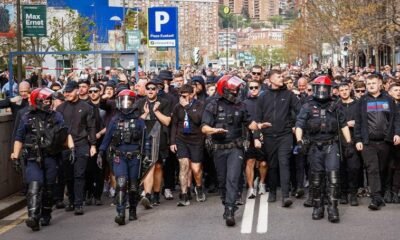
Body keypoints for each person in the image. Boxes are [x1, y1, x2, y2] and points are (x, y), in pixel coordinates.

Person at [11, 87, 73, 231]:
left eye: (49, 100)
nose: (48, 103)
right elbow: (19, 138)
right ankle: (33, 216)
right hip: (33, 157)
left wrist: (72, 148)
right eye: (44, 100)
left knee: (48, 188)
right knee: (34, 185)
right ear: (36, 101)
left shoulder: (56, 116)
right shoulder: (26, 117)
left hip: (51, 157)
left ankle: (46, 213)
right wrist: (15, 155)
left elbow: (65, 133)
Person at [201, 75, 257, 227]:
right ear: (224, 89)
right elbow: (204, 127)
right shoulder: (212, 105)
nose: (236, 92)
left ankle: (231, 209)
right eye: (234, 90)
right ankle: (226, 203)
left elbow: (250, 123)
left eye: (237, 90)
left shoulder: (241, 105)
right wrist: (213, 130)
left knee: (233, 178)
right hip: (219, 148)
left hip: (235, 147)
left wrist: (259, 126)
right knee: (222, 179)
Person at [295, 76, 352, 223]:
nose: (321, 91)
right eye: (318, 88)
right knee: (316, 179)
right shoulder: (307, 106)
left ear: (329, 89)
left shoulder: (336, 105)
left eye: (324, 88)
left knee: (333, 178)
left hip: (332, 145)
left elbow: (344, 124)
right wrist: (299, 141)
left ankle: (333, 208)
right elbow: (299, 125)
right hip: (314, 146)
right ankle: (317, 207)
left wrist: (349, 143)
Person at [98, 89, 145, 225]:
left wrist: (147, 155)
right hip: (120, 156)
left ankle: (132, 211)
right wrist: (101, 152)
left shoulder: (139, 121)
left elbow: (146, 140)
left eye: (129, 101)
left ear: (134, 103)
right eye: (123, 101)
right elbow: (107, 139)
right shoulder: (114, 120)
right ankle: (120, 212)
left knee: (134, 186)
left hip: (135, 157)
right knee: (121, 183)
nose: (126, 104)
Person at [254, 70, 300, 207]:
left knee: (284, 162)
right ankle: (272, 191)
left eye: (282, 76)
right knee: (272, 165)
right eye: (279, 76)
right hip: (269, 136)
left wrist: (294, 125)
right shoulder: (263, 96)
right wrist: (257, 135)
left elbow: (300, 111)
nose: (282, 78)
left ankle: (285, 196)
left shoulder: (289, 95)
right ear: (271, 79)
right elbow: (257, 118)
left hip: (285, 135)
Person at [354, 74, 400, 210]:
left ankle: (381, 193)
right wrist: (358, 139)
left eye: (374, 83)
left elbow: (396, 119)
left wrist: (397, 133)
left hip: (385, 141)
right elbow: (358, 122)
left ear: (380, 84)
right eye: (368, 84)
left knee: (382, 169)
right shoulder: (362, 101)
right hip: (368, 142)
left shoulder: (389, 100)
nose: (371, 86)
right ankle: (375, 197)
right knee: (372, 169)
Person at [56, 81, 97, 215]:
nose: (67, 94)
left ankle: (79, 203)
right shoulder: (60, 108)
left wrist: (93, 144)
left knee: (79, 174)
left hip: (82, 144)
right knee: (68, 176)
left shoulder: (86, 107)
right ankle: (72, 201)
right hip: (65, 146)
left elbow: (91, 127)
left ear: (77, 91)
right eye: (65, 92)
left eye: (70, 91)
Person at [170, 84, 206, 206]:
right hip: (182, 139)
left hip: (196, 139)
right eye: (181, 96)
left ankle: (199, 187)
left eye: (185, 96)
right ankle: (184, 194)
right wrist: (172, 141)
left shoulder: (200, 105)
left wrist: (187, 108)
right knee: (183, 166)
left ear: (191, 95)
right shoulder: (177, 107)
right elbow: (174, 124)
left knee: (196, 169)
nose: (182, 98)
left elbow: (198, 120)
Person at [337, 83, 361, 206]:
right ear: (338, 92)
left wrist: (356, 123)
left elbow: (364, 120)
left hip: (355, 140)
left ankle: (353, 194)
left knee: (354, 168)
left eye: (346, 89)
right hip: (339, 141)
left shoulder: (357, 104)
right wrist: (346, 123)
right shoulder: (335, 105)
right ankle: (343, 193)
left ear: (350, 90)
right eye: (342, 90)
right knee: (341, 168)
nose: (344, 92)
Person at [243, 80, 267, 199]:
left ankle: (262, 183)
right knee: (250, 162)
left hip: (263, 134)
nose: (253, 89)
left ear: (260, 88)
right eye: (251, 87)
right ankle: (251, 188)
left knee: (263, 163)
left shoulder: (264, 101)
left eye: (255, 87)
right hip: (249, 135)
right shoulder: (244, 103)